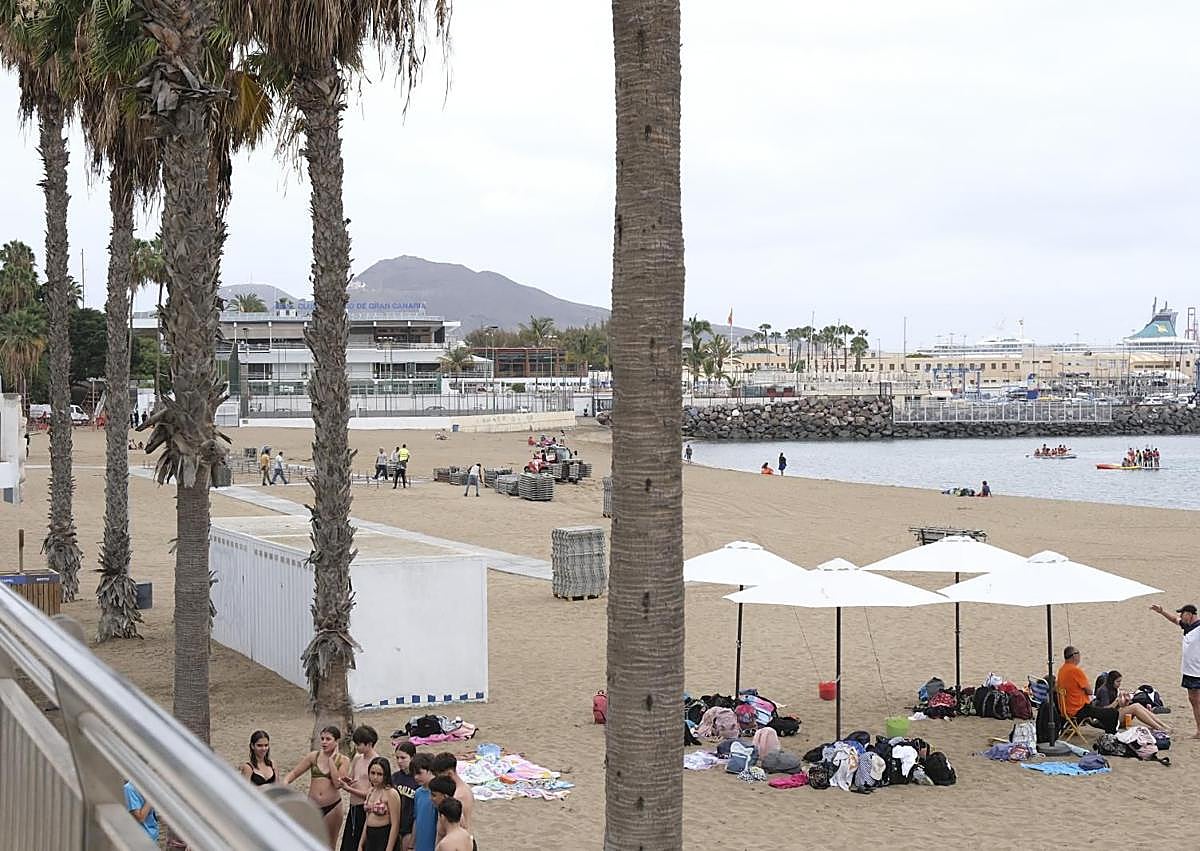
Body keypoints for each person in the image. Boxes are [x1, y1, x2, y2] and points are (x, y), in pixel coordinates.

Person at [284, 725, 347, 847]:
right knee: (309, 841)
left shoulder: (343, 760)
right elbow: (295, 773)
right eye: (322, 739)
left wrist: (331, 761)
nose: (324, 742)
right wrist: (285, 783)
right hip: (312, 806)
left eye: (328, 739)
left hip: (332, 807)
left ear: (336, 741)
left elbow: (337, 784)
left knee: (329, 844)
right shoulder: (313, 756)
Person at [1150, 603, 1200, 738]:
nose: (1180, 617)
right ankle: (1199, 730)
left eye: (1182, 614)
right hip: (1189, 670)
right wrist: (1161, 611)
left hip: (1197, 670)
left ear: (1189, 614)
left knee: (1196, 700)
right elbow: (1174, 620)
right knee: (1193, 700)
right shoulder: (1188, 626)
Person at [1057, 646, 1120, 733]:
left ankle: (1106, 730)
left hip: (1066, 709)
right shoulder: (1075, 671)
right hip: (1078, 709)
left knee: (1101, 710)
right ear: (1074, 655)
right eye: (1078, 653)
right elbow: (1089, 691)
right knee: (1112, 713)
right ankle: (1111, 735)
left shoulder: (1061, 670)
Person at [341, 725, 381, 851]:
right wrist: (348, 781)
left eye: (359, 744)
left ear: (369, 744)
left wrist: (348, 789)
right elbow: (352, 777)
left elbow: (373, 793)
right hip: (353, 807)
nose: (357, 747)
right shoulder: (357, 758)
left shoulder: (376, 763)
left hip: (365, 808)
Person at [1092, 669, 1169, 732]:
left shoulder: (1113, 689)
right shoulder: (1104, 690)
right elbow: (1104, 710)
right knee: (1135, 707)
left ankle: (1163, 725)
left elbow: (1119, 706)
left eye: (1120, 681)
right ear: (1111, 681)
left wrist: (1127, 701)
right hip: (1105, 720)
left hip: (1114, 716)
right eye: (1118, 681)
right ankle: (1158, 727)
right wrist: (1117, 700)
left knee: (1137, 705)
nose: (1119, 684)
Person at [358, 756, 401, 851]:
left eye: (379, 774)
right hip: (370, 837)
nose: (375, 777)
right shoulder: (370, 791)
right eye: (372, 773)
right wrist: (361, 844)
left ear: (386, 775)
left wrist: (389, 848)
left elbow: (395, 824)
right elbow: (367, 820)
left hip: (384, 836)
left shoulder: (391, 793)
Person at [431, 752, 473, 836]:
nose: (437, 779)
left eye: (438, 776)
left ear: (449, 773)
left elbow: (462, 824)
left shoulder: (457, 795)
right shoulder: (465, 787)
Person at [390, 741, 418, 850]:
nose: (399, 761)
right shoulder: (394, 778)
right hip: (395, 826)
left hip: (410, 828)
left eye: (403, 758)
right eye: (397, 758)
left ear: (412, 757)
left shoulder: (418, 779)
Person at [410, 753, 438, 851]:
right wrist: (411, 845)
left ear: (430, 770)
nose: (416, 777)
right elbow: (416, 820)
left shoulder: (438, 794)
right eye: (414, 774)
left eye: (419, 773)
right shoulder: (418, 793)